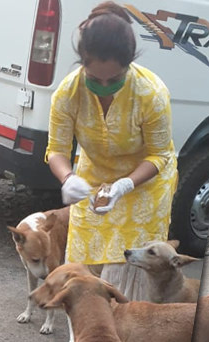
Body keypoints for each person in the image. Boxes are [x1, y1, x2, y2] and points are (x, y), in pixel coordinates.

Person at [45, 1, 178, 301]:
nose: (104, 85)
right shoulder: (67, 94)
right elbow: (56, 150)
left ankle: (128, 334)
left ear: (128, 65)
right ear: (82, 63)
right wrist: (68, 178)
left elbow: (159, 155)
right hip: (92, 182)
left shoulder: (151, 93)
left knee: (128, 276)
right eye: (95, 79)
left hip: (146, 186)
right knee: (81, 271)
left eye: (114, 79)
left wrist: (124, 185)